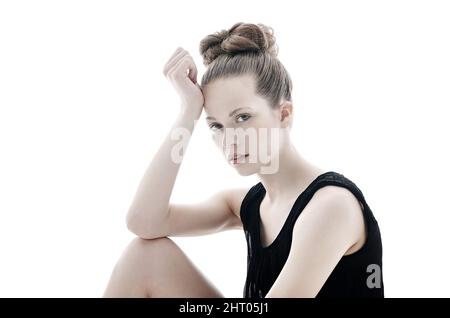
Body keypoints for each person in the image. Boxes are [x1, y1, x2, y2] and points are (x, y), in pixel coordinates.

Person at [103, 22, 384, 298]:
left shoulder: (330, 206)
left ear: (284, 114)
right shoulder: (246, 205)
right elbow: (143, 221)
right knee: (145, 257)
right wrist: (188, 111)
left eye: (242, 118)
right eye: (217, 126)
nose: (230, 140)